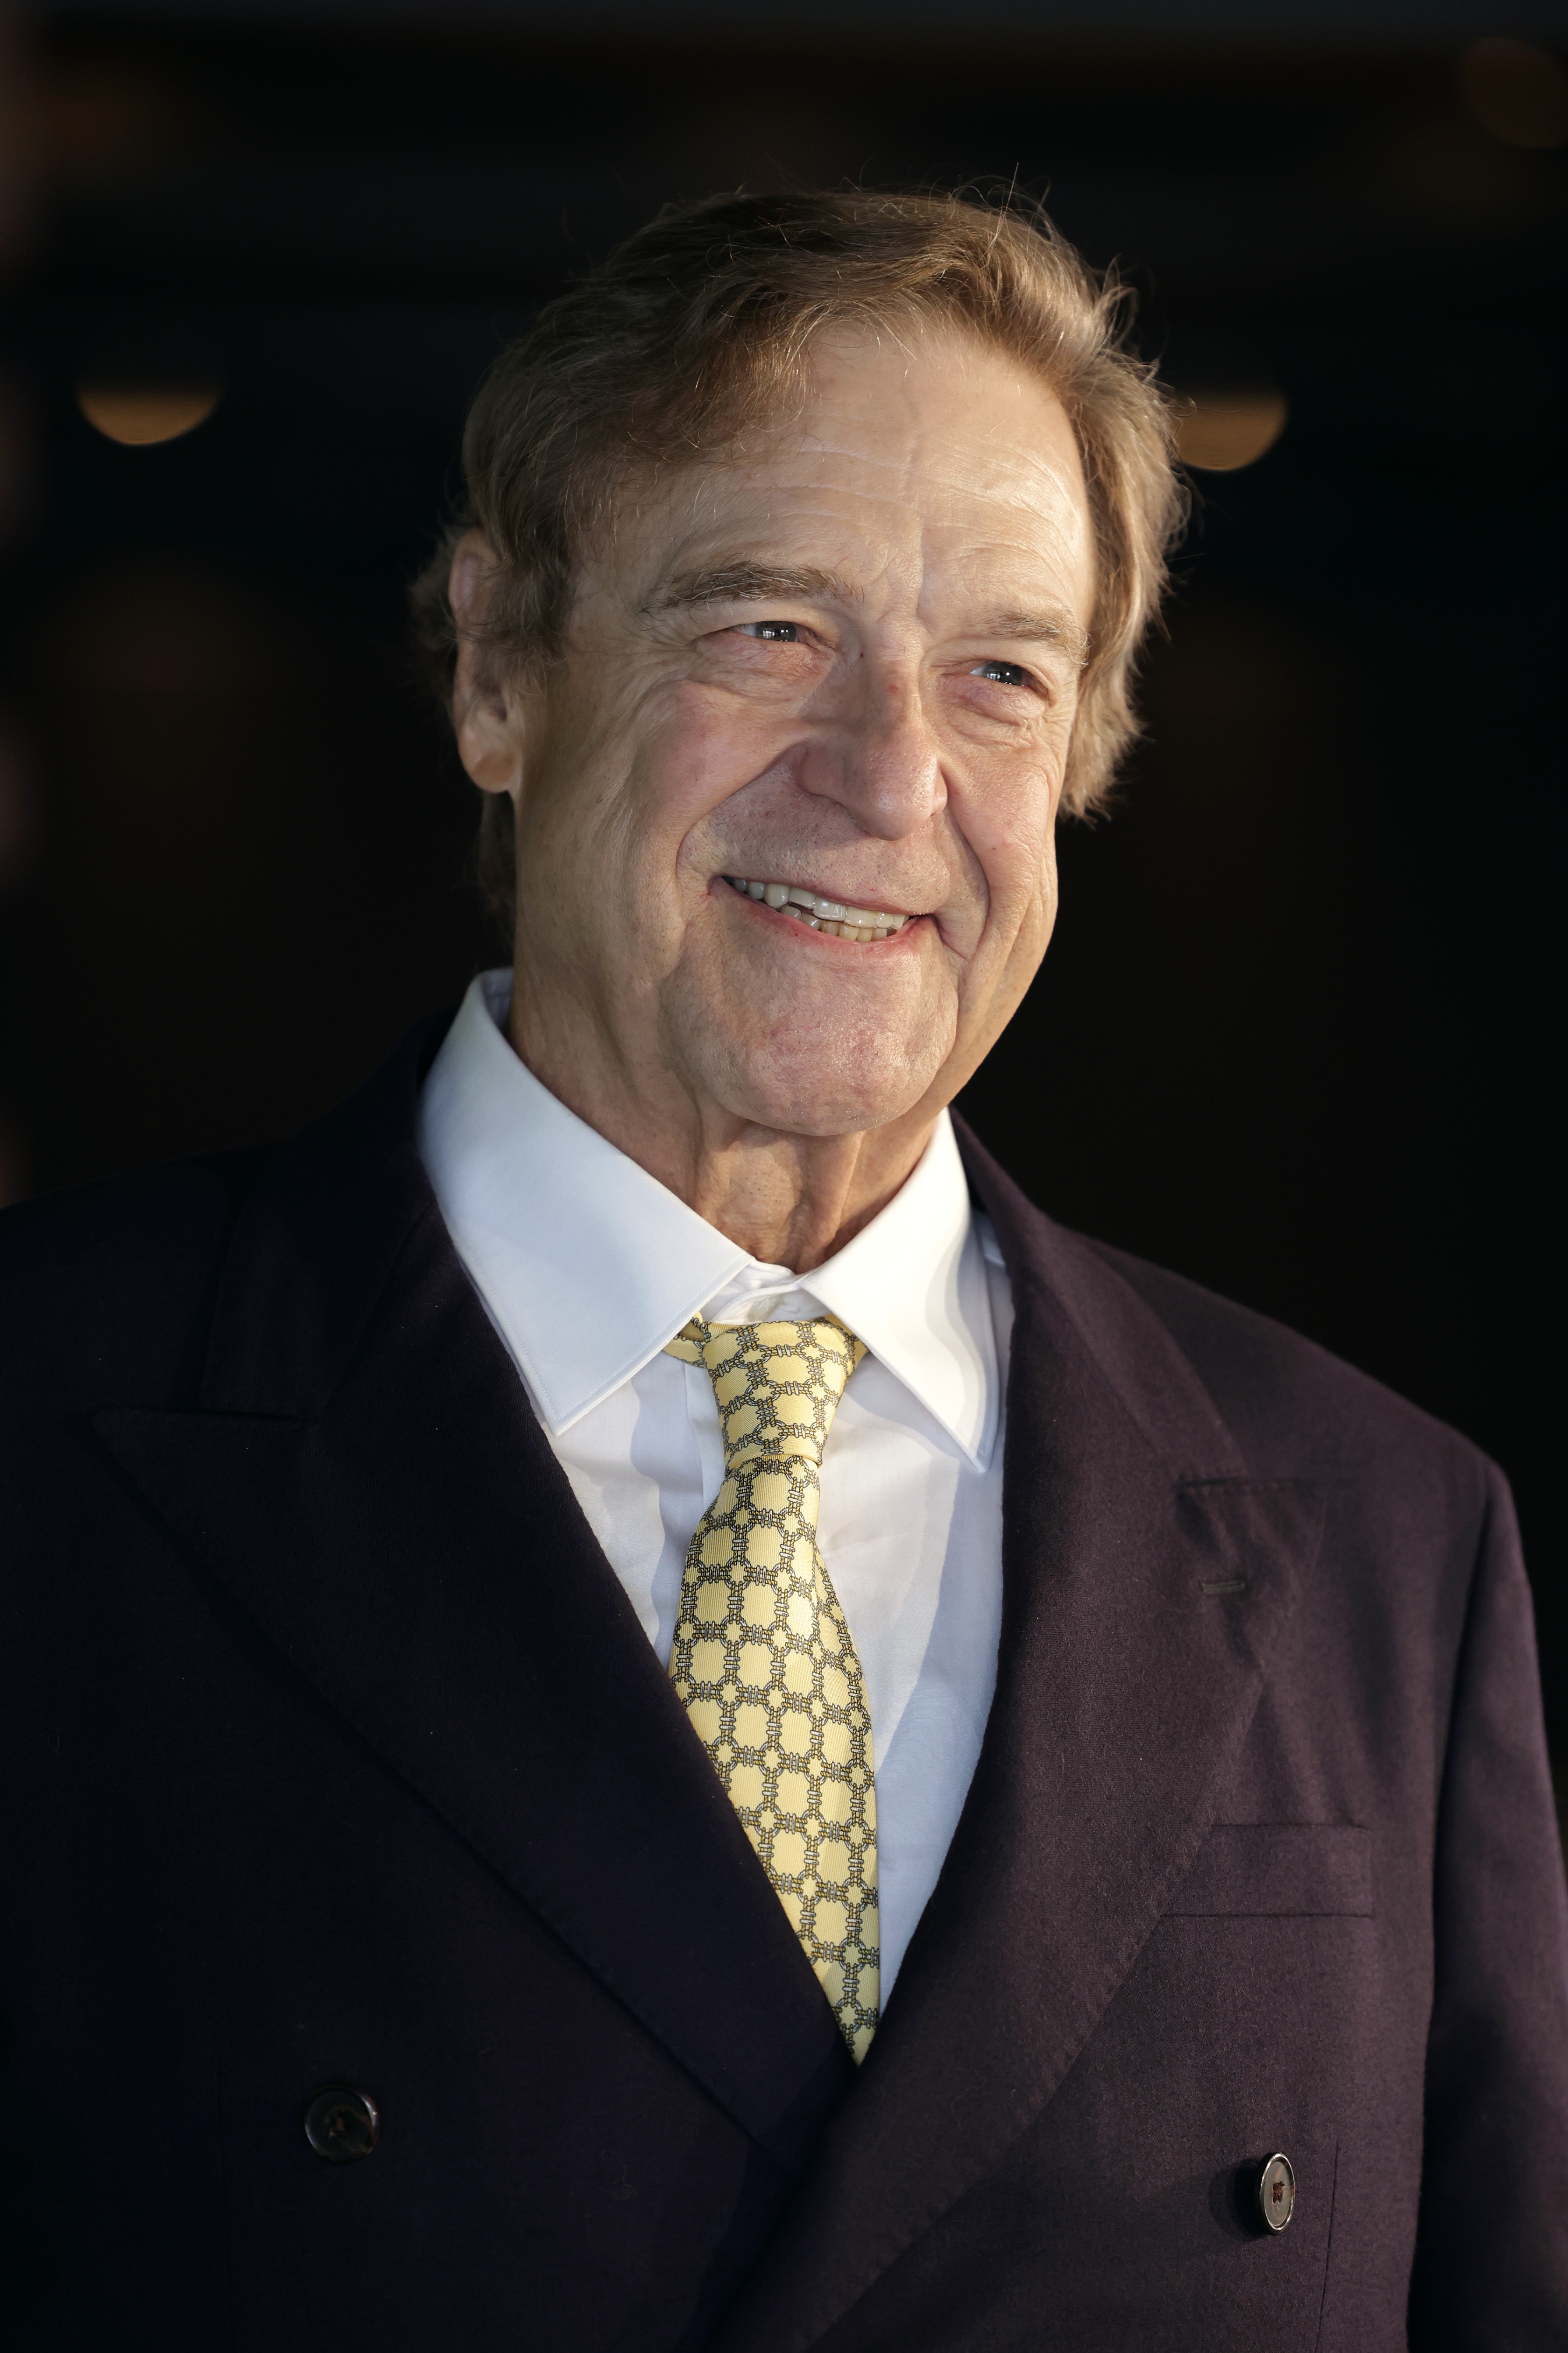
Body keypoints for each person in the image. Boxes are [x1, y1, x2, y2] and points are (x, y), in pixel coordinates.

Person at [0, 189, 1563, 2351]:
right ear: (494, 668)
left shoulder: (1394, 1544)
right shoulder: (40, 1437)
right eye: (763, 630)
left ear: (1085, 756)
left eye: (999, 673)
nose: (887, 777)